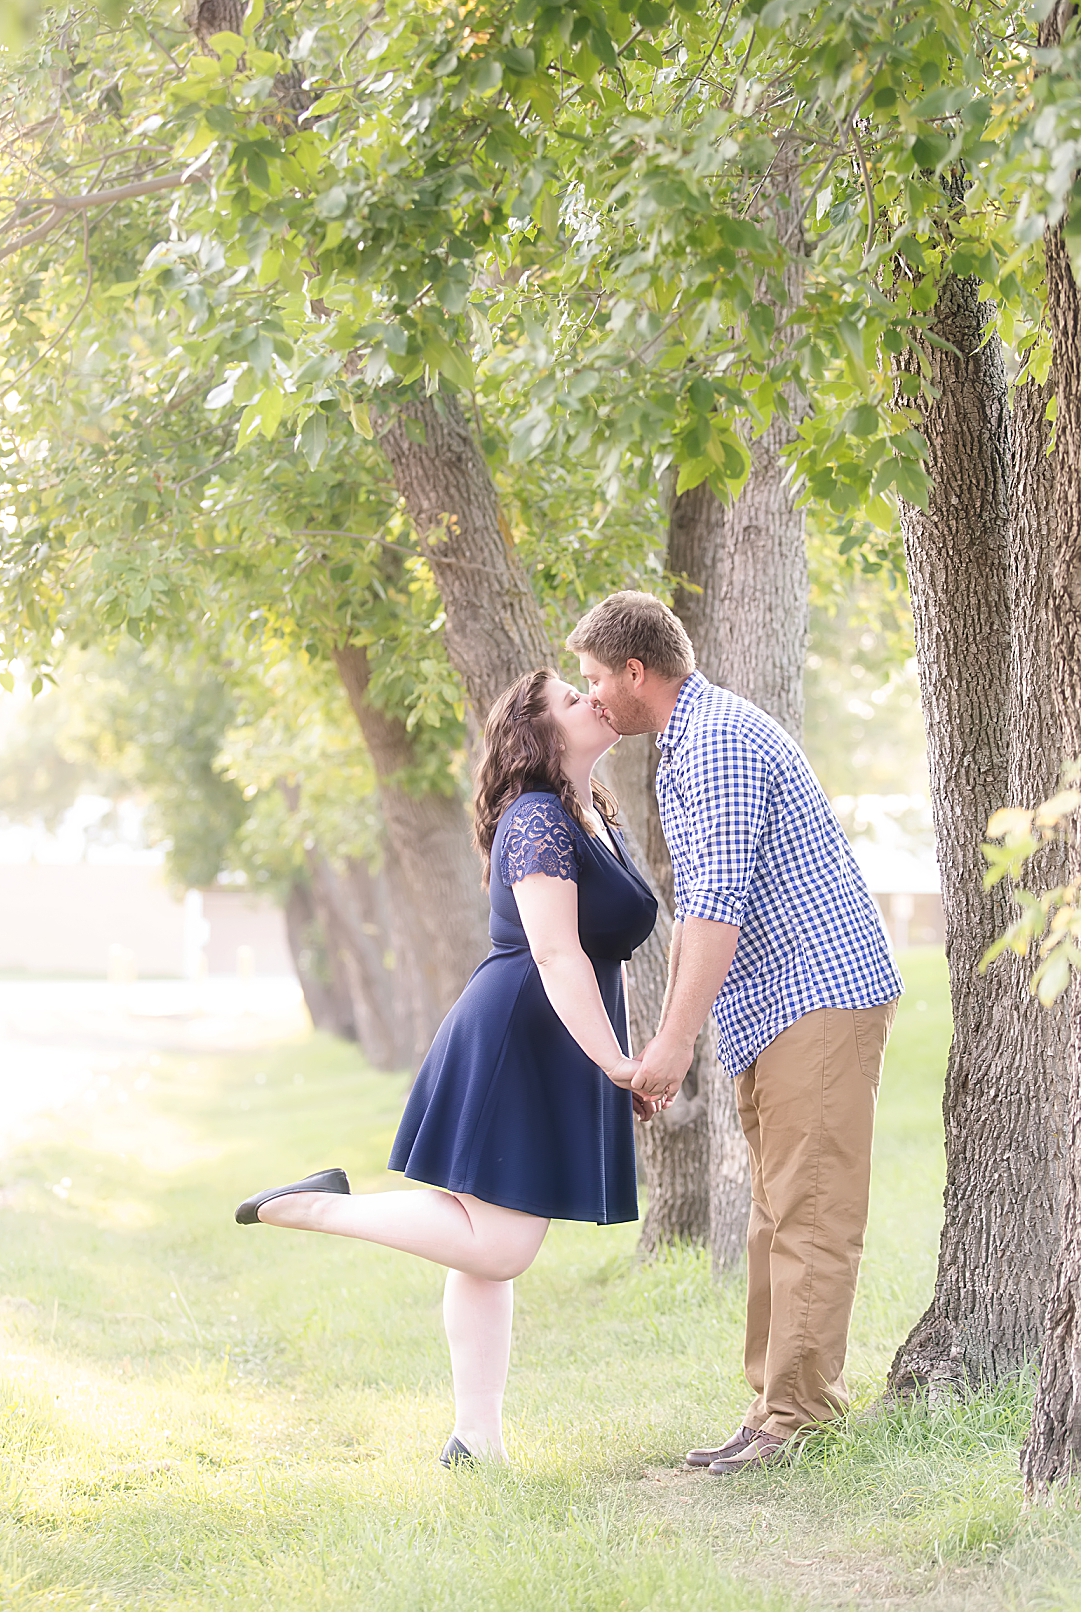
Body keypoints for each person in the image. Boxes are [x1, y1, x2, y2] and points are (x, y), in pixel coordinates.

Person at [235, 668, 658, 1467]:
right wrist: (612, 1062)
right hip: (516, 1038)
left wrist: (620, 1061)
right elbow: (556, 951)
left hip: (560, 1040)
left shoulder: (596, 815)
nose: (590, 699)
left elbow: (607, 954)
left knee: (480, 1248)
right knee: (497, 1248)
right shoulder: (535, 818)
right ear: (537, 735)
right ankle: (314, 1209)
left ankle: (475, 1439)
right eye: (571, 697)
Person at [567, 591, 902, 1476]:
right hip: (778, 1009)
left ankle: (799, 1420)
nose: (593, 696)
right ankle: (769, 1411)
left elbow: (713, 914)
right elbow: (709, 915)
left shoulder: (713, 743)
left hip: (818, 996)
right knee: (773, 1214)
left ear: (637, 672)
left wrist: (672, 1046)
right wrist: (689, 1034)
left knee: (811, 1211)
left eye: (598, 679)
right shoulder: (687, 743)